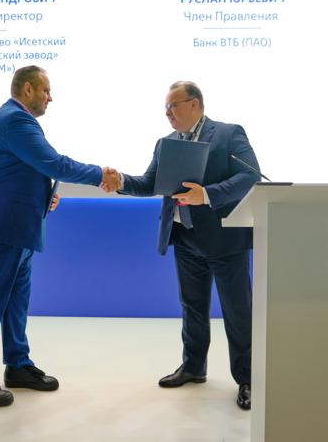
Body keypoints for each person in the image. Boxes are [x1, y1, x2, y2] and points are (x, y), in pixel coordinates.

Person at [0, 65, 121, 407]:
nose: (51, 97)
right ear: (28, 89)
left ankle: (18, 365)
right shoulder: (14, 120)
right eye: (46, 90)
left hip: (15, 228)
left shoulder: (18, 121)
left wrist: (45, 196)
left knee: (15, 303)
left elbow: (26, 171)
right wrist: (99, 174)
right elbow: (54, 164)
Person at [114, 81, 260, 410]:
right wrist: (119, 181)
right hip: (184, 237)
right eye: (165, 107)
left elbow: (250, 177)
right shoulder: (165, 143)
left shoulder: (228, 134)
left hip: (224, 239)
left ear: (194, 104)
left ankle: (248, 379)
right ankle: (194, 367)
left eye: (173, 105)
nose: (167, 113)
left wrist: (206, 195)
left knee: (237, 311)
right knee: (192, 306)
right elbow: (150, 183)